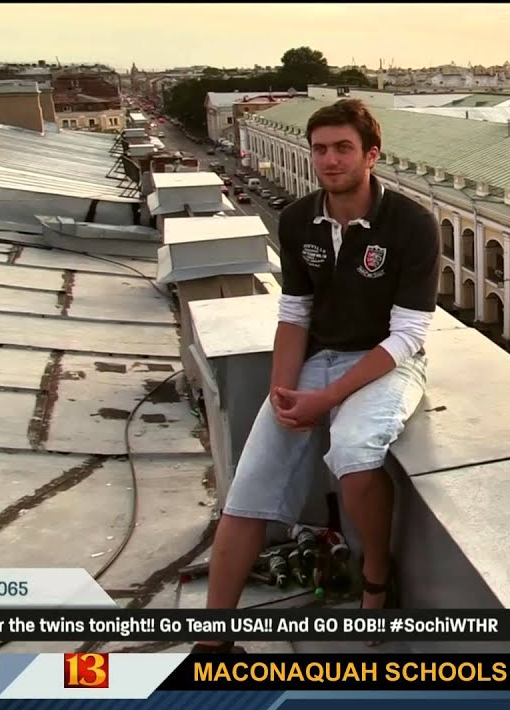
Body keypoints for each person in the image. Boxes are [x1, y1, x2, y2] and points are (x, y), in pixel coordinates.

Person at [193, 99, 438, 653]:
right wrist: (285, 393)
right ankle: (211, 645)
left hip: (387, 360)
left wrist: (326, 397)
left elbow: (407, 336)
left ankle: (377, 569)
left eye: (343, 148)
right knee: (247, 491)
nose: (329, 160)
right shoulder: (299, 218)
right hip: (316, 361)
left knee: (353, 451)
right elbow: (294, 314)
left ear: (371, 154)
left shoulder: (412, 225)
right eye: (320, 149)